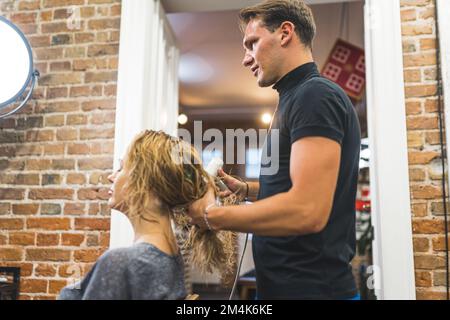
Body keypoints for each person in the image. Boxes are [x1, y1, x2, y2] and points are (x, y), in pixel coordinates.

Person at [188, 0, 361, 299]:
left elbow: (308, 210)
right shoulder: (295, 97)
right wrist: (246, 190)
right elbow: (296, 186)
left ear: (285, 33)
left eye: (252, 43)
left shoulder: (315, 96)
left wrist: (210, 216)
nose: (246, 58)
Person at [59, 130, 235, 300]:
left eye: (121, 168)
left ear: (147, 185)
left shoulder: (121, 264)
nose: (110, 176)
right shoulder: (170, 257)